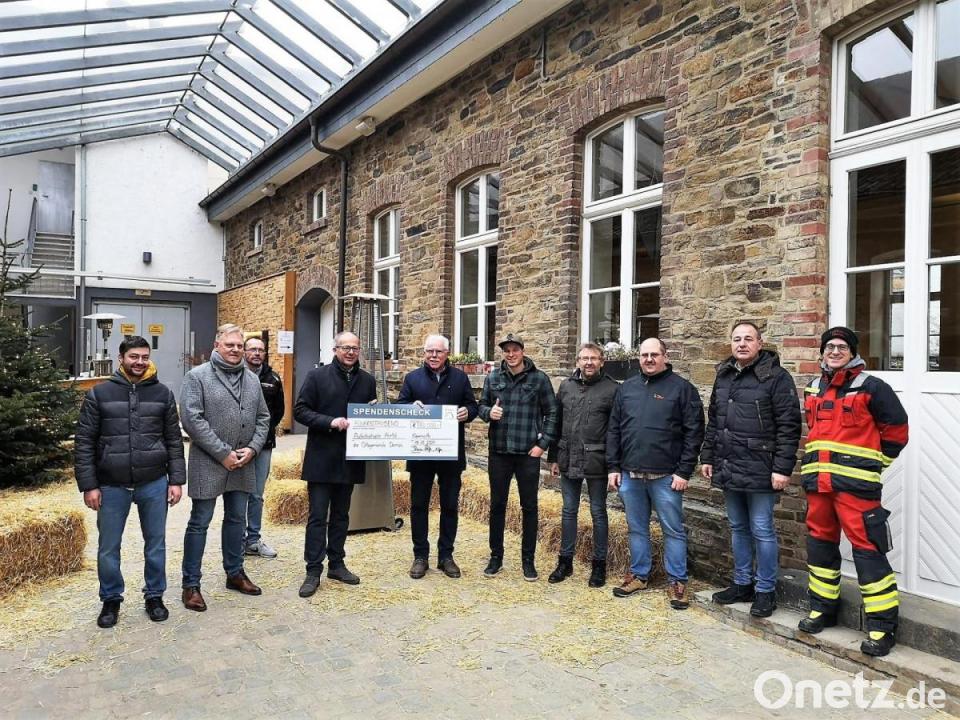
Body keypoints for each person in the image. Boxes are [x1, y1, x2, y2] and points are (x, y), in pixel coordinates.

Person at [797, 327, 908, 657]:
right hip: (818, 485)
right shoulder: (813, 387)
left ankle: (882, 626)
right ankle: (822, 609)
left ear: (853, 352)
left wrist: (874, 464)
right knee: (820, 547)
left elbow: (897, 432)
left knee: (868, 550)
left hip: (856, 488)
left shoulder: (873, 387)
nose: (834, 351)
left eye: (842, 347)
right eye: (829, 346)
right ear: (822, 352)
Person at [74, 336, 185, 628]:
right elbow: (84, 442)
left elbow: (174, 440)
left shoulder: (162, 394)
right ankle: (111, 599)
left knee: (156, 544)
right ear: (121, 358)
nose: (140, 362)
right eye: (134, 356)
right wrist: (89, 485)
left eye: (144, 357)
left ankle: (154, 596)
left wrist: (176, 480)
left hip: (153, 482)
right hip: (111, 484)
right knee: (109, 547)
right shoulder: (99, 394)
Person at [701, 321, 802, 617]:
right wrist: (708, 457)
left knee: (762, 529)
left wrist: (782, 468)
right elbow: (715, 421)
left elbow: (789, 426)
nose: (742, 344)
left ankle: (765, 590)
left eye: (748, 339)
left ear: (760, 343)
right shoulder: (724, 375)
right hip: (729, 463)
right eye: (737, 339)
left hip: (761, 466)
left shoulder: (777, 377)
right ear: (731, 343)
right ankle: (742, 583)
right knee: (738, 527)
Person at [606, 337, 704, 609]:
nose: (649, 359)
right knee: (637, 529)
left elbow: (694, 433)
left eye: (654, 355)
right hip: (631, 476)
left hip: (666, 477)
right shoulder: (627, 388)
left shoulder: (682, 389)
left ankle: (677, 582)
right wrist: (613, 467)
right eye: (644, 355)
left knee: (673, 530)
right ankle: (639, 575)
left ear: (665, 356)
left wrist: (684, 472)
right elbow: (614, 430)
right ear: (639, 358)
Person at [179, 323, 270, 611]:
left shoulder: (252, 379)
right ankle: (191, 584)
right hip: (208, 462)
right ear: (217, 345)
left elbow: (263, 418)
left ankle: (235, 572)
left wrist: (253, 449)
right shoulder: (197, 377)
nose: (235, 350)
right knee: (200, 522)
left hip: (243, 462)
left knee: (236, 519)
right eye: (230, 344)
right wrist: (222, 453)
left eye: (239, 345)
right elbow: (192, 419)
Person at [294, 331, 377, 597]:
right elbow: (300, 411)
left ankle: (337, 564)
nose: (350, 352)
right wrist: (330, 422)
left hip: (350, 458)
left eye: (355, 348)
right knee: (318, 516)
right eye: (345, 348)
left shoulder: (367, 381)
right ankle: (313, 570)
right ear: (335, 350)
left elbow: (370, 416)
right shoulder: (316, 377)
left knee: (342, 516)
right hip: (322, 458)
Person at [478, 333, 559, 581]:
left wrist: (542, 445)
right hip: (499, 452)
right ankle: (496, 557)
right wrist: (488, 413)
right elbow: (481, 406)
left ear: (523, 351)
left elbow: (552, 413)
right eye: (506, 350)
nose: (511, 354)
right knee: (497, 505)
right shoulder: (493, 377)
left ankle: (528, 560)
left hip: (527, 454)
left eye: (515, 350)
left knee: (529, 507)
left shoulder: (539, 379)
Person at [396, 334, 478, 579]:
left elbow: (472, 406)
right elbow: (399, 406)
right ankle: (420, 556)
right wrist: (409, 408)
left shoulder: (460, 378)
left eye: (438, 351)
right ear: (424, 353)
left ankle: (446, 556)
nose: (433, 355)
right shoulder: (413, 378)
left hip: (450, 453)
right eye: (429, 351)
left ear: (447, 353)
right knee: (419, 505)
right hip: (420, 453)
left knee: (450, 505)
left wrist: (467, 412)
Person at [547, 342, 618, 587]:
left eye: (593, 358)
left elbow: (615, 431)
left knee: (598, 512)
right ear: (577, 361)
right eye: (584, 358)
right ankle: (565, 562)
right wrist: (553, 457)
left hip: (597, 461)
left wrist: (614, 466)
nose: (589, 362)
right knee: (569, 511)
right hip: (568, 458)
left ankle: (599, 566)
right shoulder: (566, 386)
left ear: (602, 362)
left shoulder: (612, 389)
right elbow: (556, 423)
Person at [242, 336, 285, 559]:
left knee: (257, 494)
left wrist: (262, 434)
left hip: (264, 445)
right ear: (244, 352)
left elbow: (278, 411)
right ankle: (237, 539)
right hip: (238, 445)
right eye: (252, 349)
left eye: (261, 350)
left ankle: (253, 540)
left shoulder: (273, 379)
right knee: (238, 493)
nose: (257, 353)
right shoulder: (234, 375)